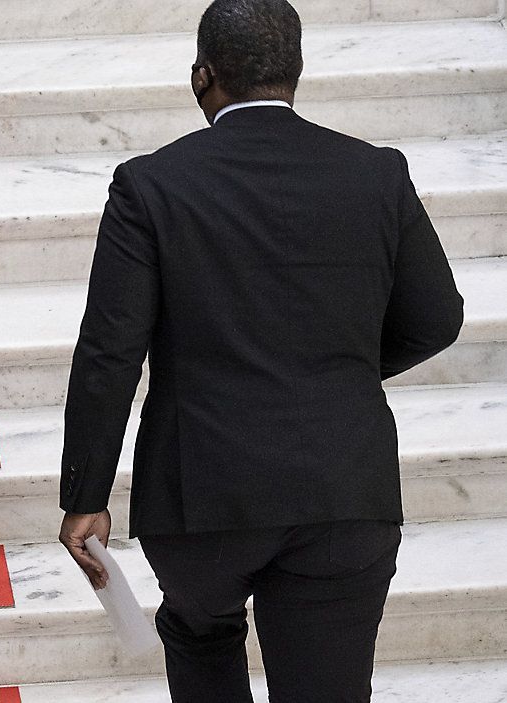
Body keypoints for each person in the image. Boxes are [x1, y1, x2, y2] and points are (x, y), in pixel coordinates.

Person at [57, 1, 465, 701]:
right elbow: (437, 319)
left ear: (202, 76)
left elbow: (110, 352)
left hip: (201, 495)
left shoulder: (150, 185)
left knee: (200, 637)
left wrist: (85, 494)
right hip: (344, 487)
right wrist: (341, 368)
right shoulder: (376, 174)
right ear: (295, 73)